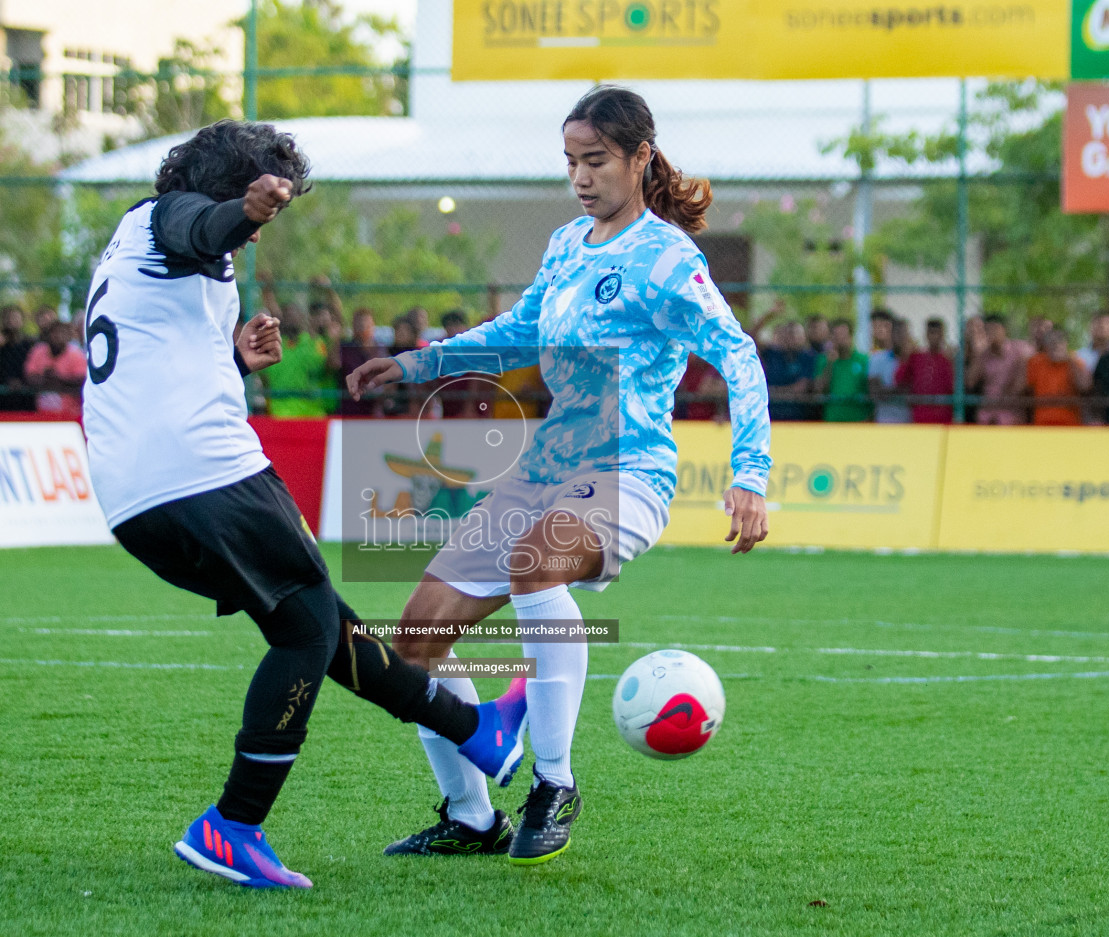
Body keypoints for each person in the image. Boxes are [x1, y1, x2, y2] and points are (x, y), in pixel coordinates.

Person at [79, 118, 527, 890]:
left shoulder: (131, 240)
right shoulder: (175, 220)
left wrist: (229, 357)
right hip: (201, 469)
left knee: (313, 617)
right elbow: (199, 222)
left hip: (137, 490)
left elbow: (150, 345)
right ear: (230, 187)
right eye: (260, 216)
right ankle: (233, 825)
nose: (253, 239)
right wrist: (245, 211)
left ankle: (475, 731)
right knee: (311, 624)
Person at [348, 85, 771, 865]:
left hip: (629, 474)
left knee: (536, 561)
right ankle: (473, 818)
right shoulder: (567, 243)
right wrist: (420, 360)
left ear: (641, 158)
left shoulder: (669, 258)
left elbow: (738, 355)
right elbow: (519, 329)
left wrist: (751, 472)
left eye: (597, 160)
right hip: (542, 474)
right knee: (414, 645)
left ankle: (554, 782)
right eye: (571, 161)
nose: (580, 176)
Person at [967, 315, 1027, 425]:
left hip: (1010, 409)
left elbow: (1020, 385)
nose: (991, 332)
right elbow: (970, 382)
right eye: (987, 329)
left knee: (1005, 420)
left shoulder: (1018, 351)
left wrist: (1005, 399)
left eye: (994, 329)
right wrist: (979, 353)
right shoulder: (983, 355)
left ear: (1004, 330)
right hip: (988, 410)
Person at [896, 317, 955, 424]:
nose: (934, 337)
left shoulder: (948, 359)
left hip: (944, 417)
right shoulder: (916, 357)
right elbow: (900, 380)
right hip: (920, 416)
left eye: (937, 333)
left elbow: (953, 386)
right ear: (926, 334)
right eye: (931, 333)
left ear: (942, 335)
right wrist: (905, 356)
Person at [1022, 326, 1084, 427]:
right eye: (1052, 342)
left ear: (1066, 343)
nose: (1056, 345)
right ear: (1046, 345)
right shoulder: (1035, 362)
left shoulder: (1075, 361)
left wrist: (1071, 361)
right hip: (1041, 424)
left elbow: (1085, 386)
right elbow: (1023, 389)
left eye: (1060, 341)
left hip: (1070, 425)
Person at [24, 320, 86, 417]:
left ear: (68, 336)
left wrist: (59, 378)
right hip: (40, 413)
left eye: (62, 333)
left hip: (69, 413)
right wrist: (45, 378)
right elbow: (30, 375)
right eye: (55, 333)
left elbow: (81, 379)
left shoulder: (76, 354)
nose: (58, 336)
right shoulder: (38, 351)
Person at [814, 319, 870, 422]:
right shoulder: (824, 360)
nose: (839, 339)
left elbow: (870, 390)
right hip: (832, 419)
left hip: (858, 419)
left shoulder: (863, 360)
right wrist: (830, 364)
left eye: (843, 335)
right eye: (835, 335)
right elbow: (819, 389)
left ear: (851, 337)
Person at [761, 320, 814, 421]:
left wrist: (774, 391)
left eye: (795, 334)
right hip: (772, 416)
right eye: (788, 334)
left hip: (798, 418)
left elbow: (800, 388)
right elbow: (748, 340)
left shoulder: (809, 358)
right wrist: (768, 317)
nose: (791, 338)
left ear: (804, 337)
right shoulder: (772, 355)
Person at [868, 317, 913, 424]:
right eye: (897, 333)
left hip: (909, 422)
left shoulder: (913, 361)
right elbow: (875, 393)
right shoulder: (877, 359)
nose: (900, 337)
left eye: (903, 333)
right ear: (891, 335)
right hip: (885, 421)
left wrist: (888, 390)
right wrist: (901, 389)